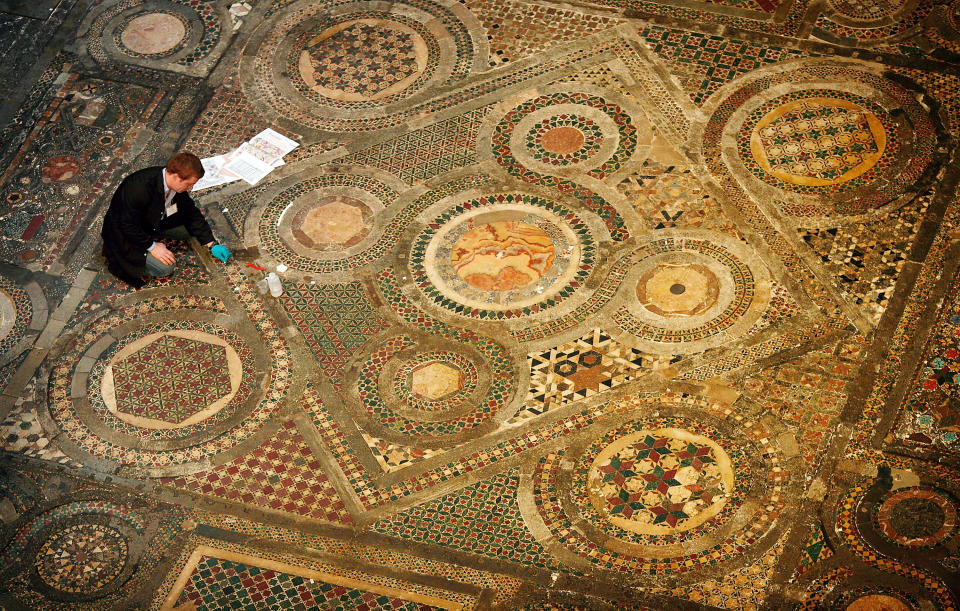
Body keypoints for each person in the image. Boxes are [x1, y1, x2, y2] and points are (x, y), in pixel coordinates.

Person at [101, 152, 231, 288]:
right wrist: (152, 246)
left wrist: (211, 243)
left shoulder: (174, 184)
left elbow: (191, 212)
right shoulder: (139, 188)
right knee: (165, 268)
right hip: (123, 235)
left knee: (188, 229)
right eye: (189, 184)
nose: (191, 188)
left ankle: (155, 234)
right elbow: (126, 225)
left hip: (152, 221)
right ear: (176, 177)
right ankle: (128, 261)